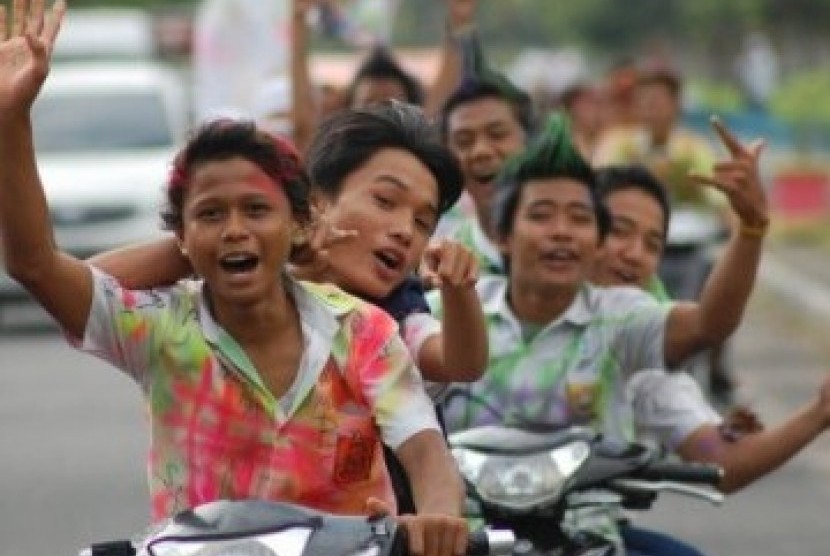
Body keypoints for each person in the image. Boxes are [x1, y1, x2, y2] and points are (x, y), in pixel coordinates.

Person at [0, 4, 467, 555]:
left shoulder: (363, 331)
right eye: (211, 215)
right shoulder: (161, 329)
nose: (236, 231)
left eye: (256, 210)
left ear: (299, 223)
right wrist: (11, 117)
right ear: (183, 238)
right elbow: (36, 265)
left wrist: (438, 520)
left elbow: (426, 451)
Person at [430, 115, 767, 553]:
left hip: (589, 538)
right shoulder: (448, 310)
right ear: (503, 235)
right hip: (464, 539)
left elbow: (709, 324)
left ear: (595, 240)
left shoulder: (621, 319)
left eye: (579, 218)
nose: (562, 232)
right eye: (541, 215)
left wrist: (751, 229)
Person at [590, 162, 830, 556]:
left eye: (653, 244)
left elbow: (721, 461)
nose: (634, 254)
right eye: (619, 231)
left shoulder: (638, 339)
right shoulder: (482, 302)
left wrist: (819, 412)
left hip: (587, 533)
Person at [435, 42, 535, 274]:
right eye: (464, 140)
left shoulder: (572, 248)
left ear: (529, 141)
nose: (481, 151)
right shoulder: (440, 261)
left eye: (497, 134)